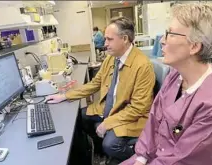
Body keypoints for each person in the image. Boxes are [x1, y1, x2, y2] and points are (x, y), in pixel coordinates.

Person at [121, 3, 212, 165]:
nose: (162, 41)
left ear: (194, 46)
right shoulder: (175, 76)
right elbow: (154, 120)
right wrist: (141, 157)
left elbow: (185, 160)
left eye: (170, 34)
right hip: (159, 155)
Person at [45, 17, 156, 164]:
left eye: (109, 39)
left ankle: (141, 158)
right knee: (81, 117)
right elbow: (94, 84)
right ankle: (99, 154)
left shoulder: (142, 66)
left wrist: (108, 122)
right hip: (109, 108)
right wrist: (64, 96)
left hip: (130, 115)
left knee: (111, 145)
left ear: (124, 39)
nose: (105, 44)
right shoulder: (112, 58)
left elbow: (138, 108)